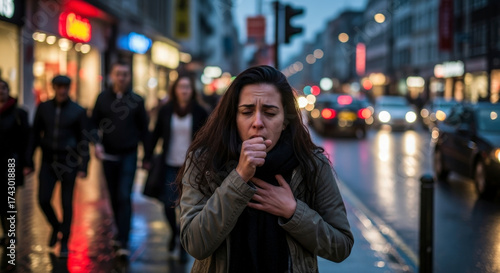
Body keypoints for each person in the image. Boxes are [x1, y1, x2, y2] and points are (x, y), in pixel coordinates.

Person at [177, 65, 354, 272]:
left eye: (270, 113)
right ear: (233, 118)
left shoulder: (311, 164)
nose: (257, 123)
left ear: (285, 120)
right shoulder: (205, 161)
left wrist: (294, 212)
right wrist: (240, 177)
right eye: (247, 112)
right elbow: (195, 244)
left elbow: (340, 245)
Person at [144, 74, 209, 260]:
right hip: (169, 164)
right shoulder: (166, 110)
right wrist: (147, 157)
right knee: (167, 203)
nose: (184, 91)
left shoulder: (200, 111)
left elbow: (206, 137)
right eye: (181, 87)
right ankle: (174, 232)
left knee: (185, 205)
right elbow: (155, 134)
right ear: (175, 89)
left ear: (192, 90)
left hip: (191, 166)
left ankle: (182, 242)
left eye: (187, 87)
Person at [25, 75, 89, 258]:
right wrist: (28, 160)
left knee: (66, 203)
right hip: (47, 160)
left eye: (65, 87)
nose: (62, 91)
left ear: (69, 88)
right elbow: (34, 135)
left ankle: (65, 242)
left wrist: (84, 165)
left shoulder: (78, 111)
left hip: (69, 163)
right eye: (59, 87)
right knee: (43, 199)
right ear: (53, 87)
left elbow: (84, 139)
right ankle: (56, 226)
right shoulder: (44, 108)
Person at [91, 61, 149, 258]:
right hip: (108, 155)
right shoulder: (102, 98)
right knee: (114, 197)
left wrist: (147, 156)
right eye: (118, 74)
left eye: (125, 74)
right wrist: (96, 143)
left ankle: (123, 240)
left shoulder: (137, 100)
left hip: (129, 155)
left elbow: (144, 130)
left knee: (124, 195)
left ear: (129, 77)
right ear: (112, 76)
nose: (122, 77)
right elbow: (93, 124)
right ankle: (119, 231)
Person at [0, 79, 29, 246]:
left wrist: (26, 163)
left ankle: (11, 235)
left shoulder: (19, 114)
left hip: (11, 164)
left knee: (10, 201)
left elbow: (26, 140)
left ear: (8, 90)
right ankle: (5, 233)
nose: (0, 91)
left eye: (3, 88)